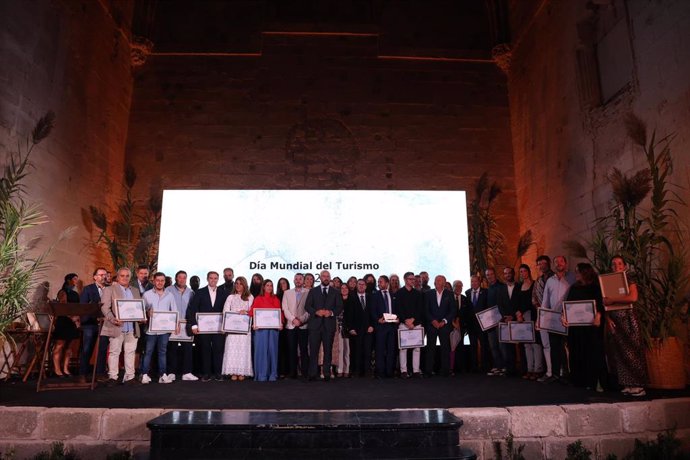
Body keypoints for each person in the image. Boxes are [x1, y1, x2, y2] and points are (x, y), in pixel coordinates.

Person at [604, 256, 648, 397]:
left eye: (619, 263)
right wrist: (608, 318)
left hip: (628, 319)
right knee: (620, 354)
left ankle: (638, 385)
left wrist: (613, 299)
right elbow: (605, 302)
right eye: (613, 264)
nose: (616, 266)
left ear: (624, 266)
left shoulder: (629, 278)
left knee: (633, 352)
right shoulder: (609, 281)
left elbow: (633, 297)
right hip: (615, 321)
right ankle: (628, 384)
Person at [562, 263, 606, 391]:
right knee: (576, 352)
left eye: (578, 272)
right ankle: (578, 380)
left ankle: (593, 381)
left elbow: (601, 305)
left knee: (592, 353)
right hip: (576, 328)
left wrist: (599, 315)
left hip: (591, 327)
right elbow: (567, 306)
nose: (576, 274)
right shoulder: (573, 288)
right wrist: (563, 317)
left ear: (585, 272)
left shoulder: (595, 287)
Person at [101, 268, 143, 385]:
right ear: (118, 277)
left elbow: (138, 307)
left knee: (130, 352)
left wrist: (141, 316)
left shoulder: (135, 290)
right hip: (116, 326)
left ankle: (129, 377)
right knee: (114, 352)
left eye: (127, 276)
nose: (125, 278)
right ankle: (113, 377)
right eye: (122, 276)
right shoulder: (110, 289)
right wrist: (113, 319)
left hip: (132, 327)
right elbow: (104, 308)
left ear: (130, 277)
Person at [538, 255, 575, 384]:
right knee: (554, 347)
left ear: (565, 263)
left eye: (561, 261)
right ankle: (555, 374)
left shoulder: (572, 278)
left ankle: (567, 373)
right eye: (556, 262)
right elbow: (545, 301)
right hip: (553, 319)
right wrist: (542, 319)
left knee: (567, 347)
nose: (558, 263)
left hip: (568, 318)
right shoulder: (550, 281)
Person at [186, 271, 229, 382]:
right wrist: (194, 325)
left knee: (218, 350)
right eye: (211, 278)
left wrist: (226, 326)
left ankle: (218, 374)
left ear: (218, 280)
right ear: (207, 279)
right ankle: (206, 374)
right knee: (205, 350)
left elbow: (227, 311)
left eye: (215, 278)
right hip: (203, 328)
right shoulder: (200, 292)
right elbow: (193, 309)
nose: (213, 280)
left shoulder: (224, 293)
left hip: (219, 328)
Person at [305, 270, 343, 382]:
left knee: (328, 351)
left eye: (328, 276)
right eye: (324, 276)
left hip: (329, 325)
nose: (326, 278)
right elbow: (307, 306)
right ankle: (312, 374)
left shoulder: (335, 292)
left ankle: (326, 374)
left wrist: (331, 313)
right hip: (315, 325)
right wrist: (315, 312)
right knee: (313, 351)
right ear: (320, 278)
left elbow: (339, 306)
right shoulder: (313, 291)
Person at [141, 272, 176, 384]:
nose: (160, 282)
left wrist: (175, 325)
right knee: (148, 352)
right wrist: (147, 312)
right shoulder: (147, 294)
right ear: (154, 281)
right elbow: (141, 311)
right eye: (158, 280)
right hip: (150, 330)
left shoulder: (170, 295)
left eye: (162, 280)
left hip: (164, 330)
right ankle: (145, 375)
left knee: (162, 352)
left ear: (165, 282)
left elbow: (174, 311)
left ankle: (162, 375)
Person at [165, 270, 197, 381]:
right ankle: (171, 372)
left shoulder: (191, 292)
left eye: (184, 277)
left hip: (186, 323)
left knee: (187, 349)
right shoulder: (168, 290)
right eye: (180, 277)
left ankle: (187, 373)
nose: (182, 279)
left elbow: (193, 309)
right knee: (172, 349)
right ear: (176, 278)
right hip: (173, 323)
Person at [79, 267, 109, 381]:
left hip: (105, 323)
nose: (103, 277)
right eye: (101, 275)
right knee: (87, 349)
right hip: (90, 324)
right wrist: (94, 317)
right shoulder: (88, 289)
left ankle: (100, 373)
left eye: (105, 275)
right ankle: (82, 373)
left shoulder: (109, 289)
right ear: (95, 277)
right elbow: (83, 307)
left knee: (102, 348)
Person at [222, 276, 254, 380]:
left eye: (240, 283)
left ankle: (242, 372)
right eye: (236, 283)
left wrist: (246, 312)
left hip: (244, 330)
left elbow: (252, 312)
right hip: (232, 329)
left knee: (243, 350)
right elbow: (225, 312)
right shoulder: (230, 297)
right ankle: (233, 372)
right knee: (232, 349)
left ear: (244, 285)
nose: (238, 285)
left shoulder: (250, 297)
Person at [250, 279, 283, 382]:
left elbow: (280, 313)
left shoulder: (276, 299)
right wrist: (253, 324)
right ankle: (261, 375)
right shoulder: (258, 299)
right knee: (261, 351)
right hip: (260, 330)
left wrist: (281, 323)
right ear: (263, 287)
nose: (269, 287)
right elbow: (252, 312)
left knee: (272, 351)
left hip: (273, 330)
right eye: (267, 285)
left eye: (271, 285)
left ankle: (272, 374)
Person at [424, 275, 455, 377]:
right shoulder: (428, 294)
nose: (437, 281)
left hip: (444, 325)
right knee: (430, 348)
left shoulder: (450, 294)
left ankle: (445, 370)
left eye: (439, 280)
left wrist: (444, 321)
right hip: (432, 325)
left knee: (445, 348)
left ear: (444, 283)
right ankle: (428, 371)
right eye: (436, 280)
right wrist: (433, 320)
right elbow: (426, 310)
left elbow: (452, 311)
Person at [515, 264, 542, 380]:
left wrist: (523, 312)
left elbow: (534, 301)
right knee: (526, 345)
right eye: (520, 272)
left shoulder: (535, 284)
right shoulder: (519, 286)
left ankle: (538, 369)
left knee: (536, 344)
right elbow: (516, 302)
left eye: (524, 271)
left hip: (532, 315)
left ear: (529, 271)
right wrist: (518, 313)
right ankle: (529, 369)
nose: (523, 273)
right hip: (522, 317)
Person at [396, 272, 425, 378]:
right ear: (405, 280)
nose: (413, 281)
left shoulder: (418, 293)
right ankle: (403, 371)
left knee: (417, 348)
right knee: (403, 348)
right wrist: (406, 321)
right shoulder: (399, 293)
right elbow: (398, 309)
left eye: (414, 279)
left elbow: (420, 309)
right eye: (410, 279)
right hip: (404, 324)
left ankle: (416, 371)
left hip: (416, 324)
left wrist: (413, 320)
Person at [485, 268, 513, 376]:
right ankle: (498, 366)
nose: (489, 276)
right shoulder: (488, 289)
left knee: (503, 346)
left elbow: (505, 304)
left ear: (495, 274)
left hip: (501, 321)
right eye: (487, 275)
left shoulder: (502, 287)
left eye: (491, 274)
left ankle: (506, 367)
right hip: (490, 322)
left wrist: (503, 317)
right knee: (493, 346)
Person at [282, 273, 310, 379]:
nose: (298, 281)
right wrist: (293, 319)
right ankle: (292, 373)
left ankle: (304, 373)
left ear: (303, 281)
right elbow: (285, 308)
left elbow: (310, 309)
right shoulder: (287, 293)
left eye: (300, 279)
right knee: (291, 350)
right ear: (293, 281)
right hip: (291, 325)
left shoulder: (309, 292)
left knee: (304, 349)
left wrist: (301, 320)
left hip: (303, 325)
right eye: (296, 279)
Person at [345, 279, 374, 377]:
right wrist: (351, 328)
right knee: (356, 351)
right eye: (359, 284)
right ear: (357, 286)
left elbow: (373, 314)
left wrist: (372, 326)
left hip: (368, 329)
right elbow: (348, 314)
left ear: (366, 286)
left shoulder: (370, 297)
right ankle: (356, 371)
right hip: (356, 330)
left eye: (363, 284)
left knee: (367, 351)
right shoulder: (351, 297)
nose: (361, 286)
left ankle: (367, 371)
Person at [53, 273, 81, 377]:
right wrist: (71, 317)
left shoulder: (75, 294)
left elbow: (78, 308)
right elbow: (63, 307)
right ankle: (57, 369)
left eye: (77, 279)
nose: (76, 281)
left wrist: (77, 320)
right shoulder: (62, 292)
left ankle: (65, 368)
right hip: (63, 321)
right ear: (68, 280)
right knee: (60, 345)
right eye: (74, 279)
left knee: (69, 347)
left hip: (73, 323)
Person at [370, 275, 398, 379]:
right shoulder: (375, 295)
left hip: (392, 326)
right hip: (381, 326)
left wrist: (398, 319)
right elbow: (372, 310)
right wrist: (377, 319)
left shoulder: (393, 294)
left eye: (380, 282)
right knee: (380, 350)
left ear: (387, 283)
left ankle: (389, 372)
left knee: (391, 350)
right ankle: (380, 372)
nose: (378, 284)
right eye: (378, 282)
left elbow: (396, 309)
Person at [533, 255, 554, 380]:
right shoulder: (538, 280)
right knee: (546, 344)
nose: (542, 266)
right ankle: (549, 371)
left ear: (549, 263)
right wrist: (539, 308)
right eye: (540, 264)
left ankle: (561, 371)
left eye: (544, 263)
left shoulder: (555, 278)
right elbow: (534, 297)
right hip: (542, 315)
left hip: (556, 315)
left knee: (558, 344)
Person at [465, 275, 490, 373]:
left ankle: (485, 366)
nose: (473, 283)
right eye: (472, 281)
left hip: (482, 324)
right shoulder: (467, 293)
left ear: (479, 282)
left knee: (484, 345)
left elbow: (488, 307)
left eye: (475, 281)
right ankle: (474, 367)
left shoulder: (486, 292)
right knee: (473, 346)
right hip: (471, 325)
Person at [336, 283, 350, 377]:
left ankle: (347, 369)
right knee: (340, 350)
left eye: (346, 288)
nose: (344, 289)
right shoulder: (337, 300)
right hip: (338, 327)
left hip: (348, 328)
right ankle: (340, 370)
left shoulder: (353, 300)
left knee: (347, 350)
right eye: (342, 288)